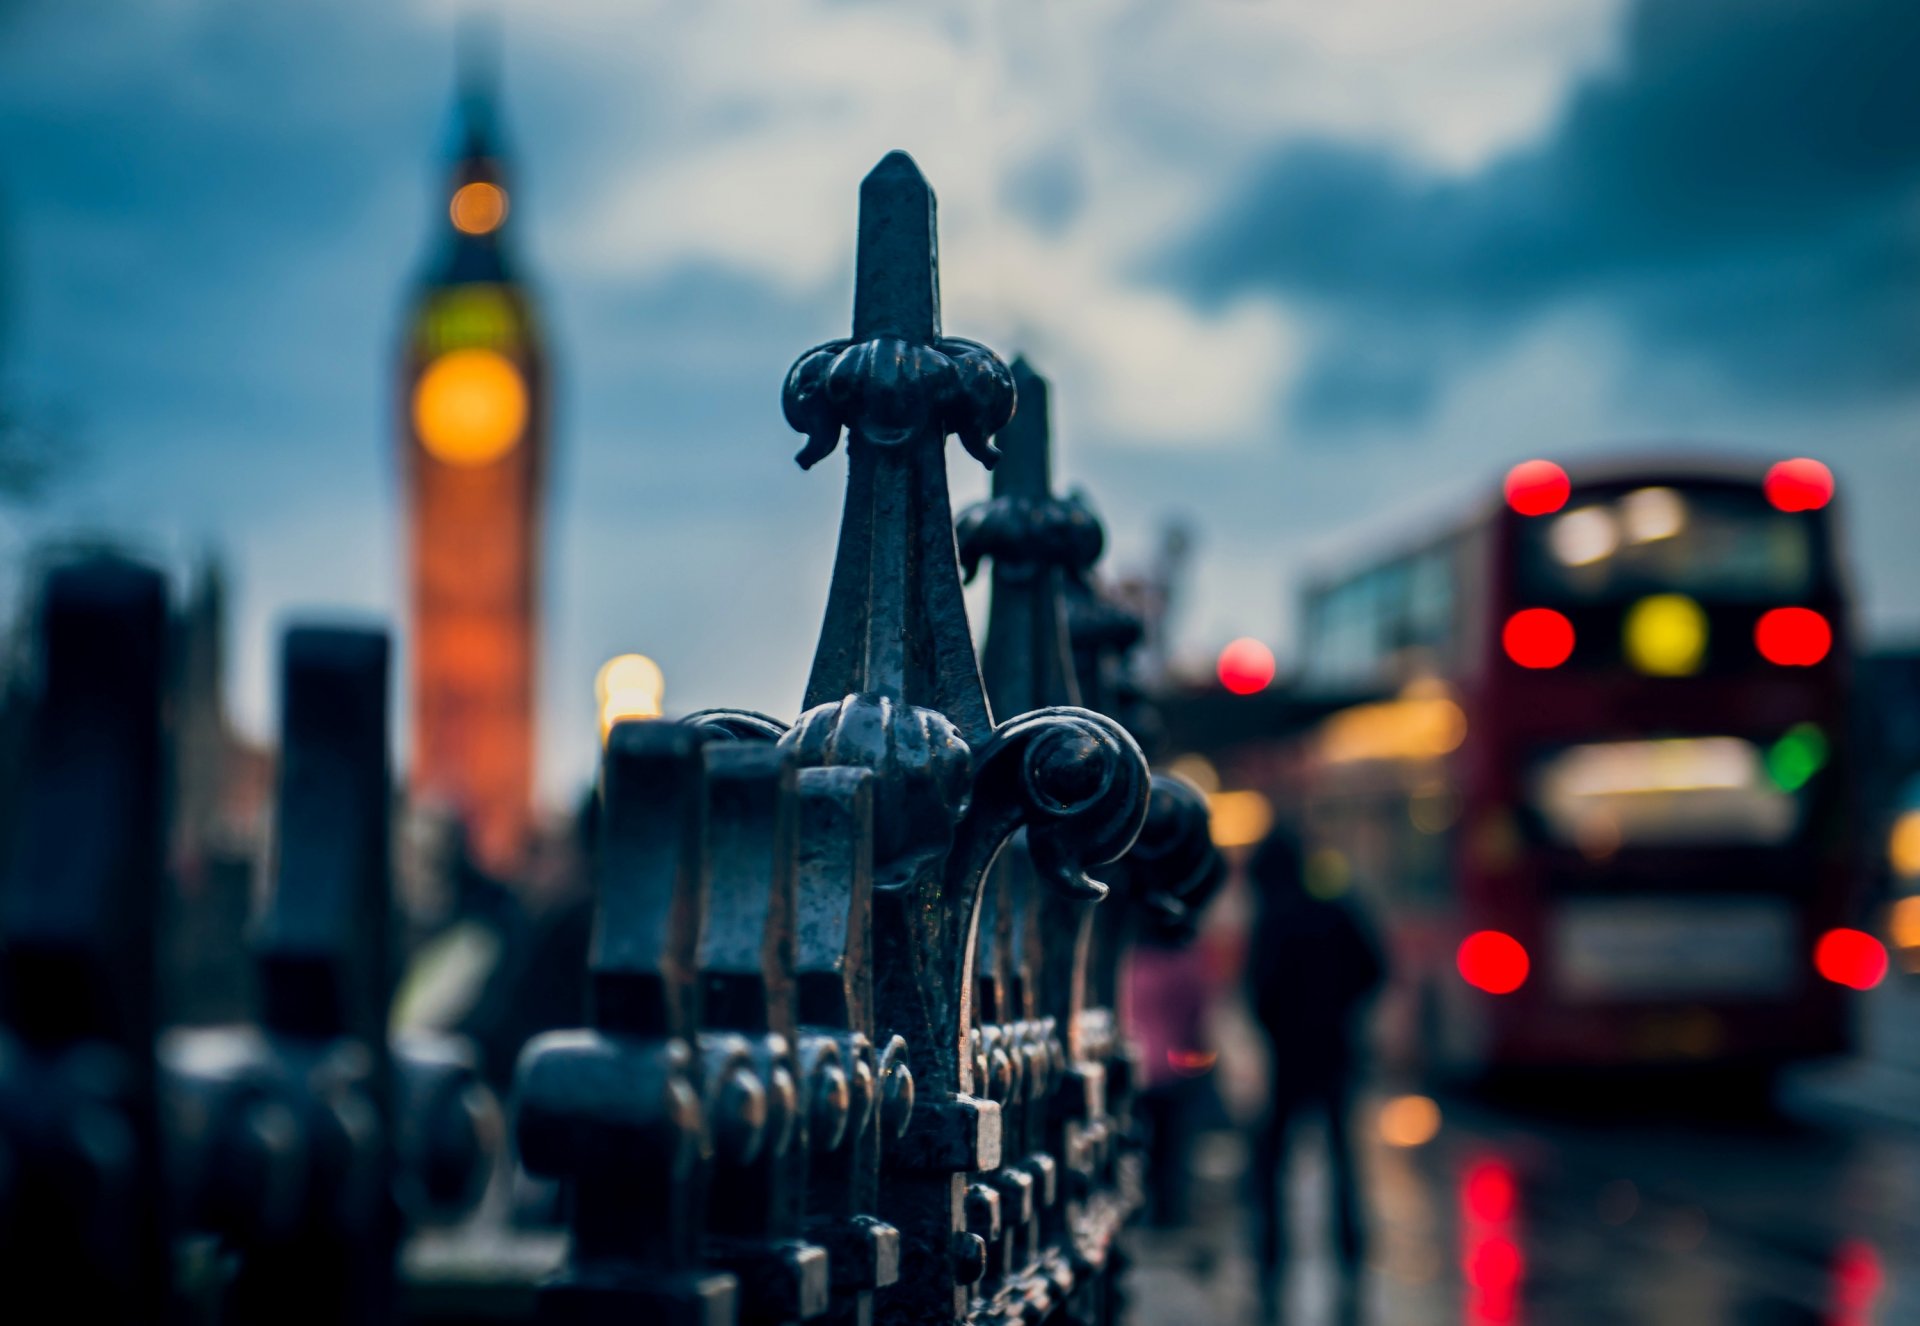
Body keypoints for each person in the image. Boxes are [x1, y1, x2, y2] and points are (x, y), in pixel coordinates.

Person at [1243, 829, 1387, 1316]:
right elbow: (1374, 968)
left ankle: (1270, 1253)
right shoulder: (1335, 908)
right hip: (1335, 1050)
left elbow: (1257, 991)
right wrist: (1343, 1011)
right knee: (1343, 1157)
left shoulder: (1273, 918)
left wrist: (1275, 1027)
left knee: (1274, 1159)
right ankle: (1350, 1249)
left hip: (1288, 1057)